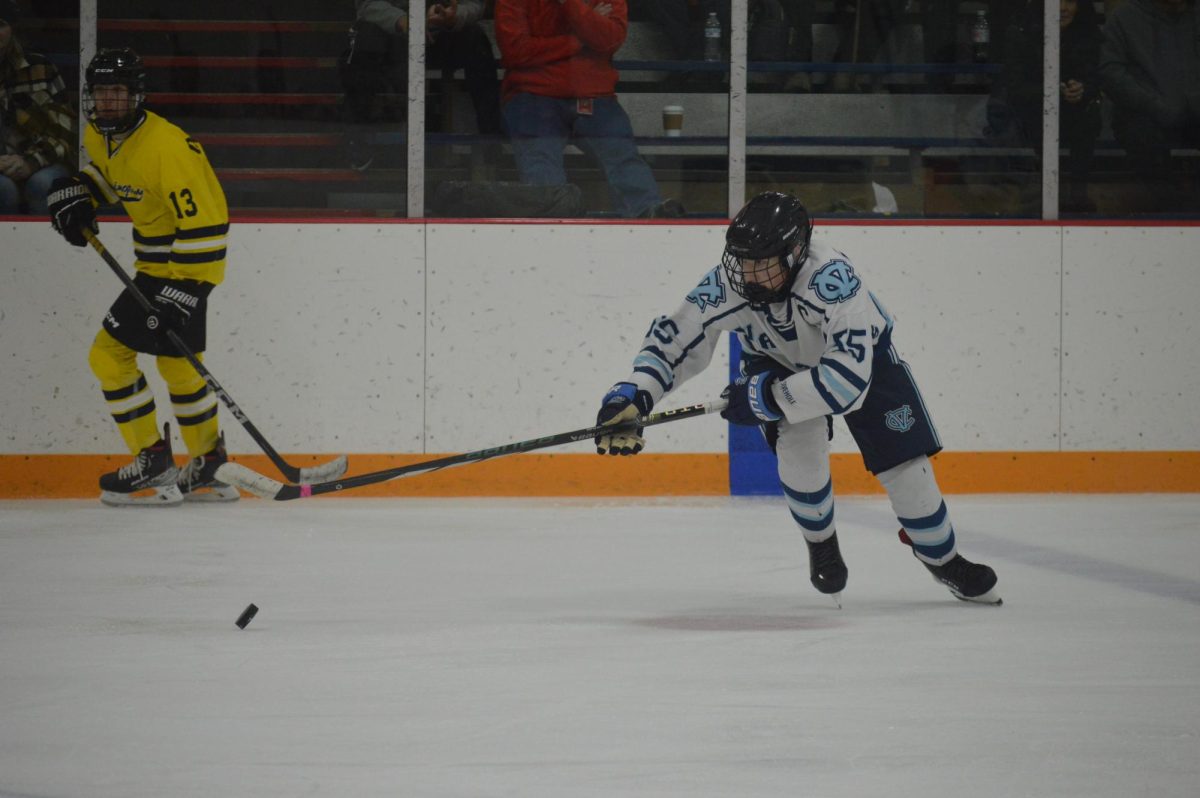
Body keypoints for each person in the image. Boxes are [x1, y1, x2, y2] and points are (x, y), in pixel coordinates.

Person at [594, 192, 1001, 605]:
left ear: (793, 254)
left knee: (908, 472)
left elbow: (847, 381)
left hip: (865, 367)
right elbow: (674, 341)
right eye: (741, 262)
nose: (746, 275)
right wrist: (634, 394)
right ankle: (821, 543)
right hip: (777, 362)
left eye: (760, 263)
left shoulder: (833, 281)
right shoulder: (728, 282)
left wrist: (764, 398)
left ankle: (943, 560)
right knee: (800, 452)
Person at [45, 48, 238, 506]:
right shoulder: (98, 135)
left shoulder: (168, 148)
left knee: (108, 356)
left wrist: (184, 293)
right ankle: (208, 467)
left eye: (117, 92)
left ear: (136, 95)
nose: (108, 102)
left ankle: (154, 465)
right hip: (154, 270)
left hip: (185, 271)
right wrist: (80, 192)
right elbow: (117, 178)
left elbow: (208, 224)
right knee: (178, 367)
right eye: (100, 93)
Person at [495, 0, 681, 218]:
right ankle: (552, 221)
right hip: (533, 95)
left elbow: (610, 38)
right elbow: (515, 50)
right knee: (540, 158)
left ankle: (646, 215)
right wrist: (577, 40)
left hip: (592, 95)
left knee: (621, 154)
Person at [339, 0, 502, 168]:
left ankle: (491, 140)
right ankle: (357, 136)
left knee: (476, 40)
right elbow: (367, 4)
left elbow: (475, 4)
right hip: (390, 31)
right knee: (363, 42)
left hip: (439, 28)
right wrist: (403, 20)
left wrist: (453, 16)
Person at [988, 0, 1104, 213]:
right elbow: (1015, 87)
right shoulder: (1021, 31)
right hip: (1031, 112)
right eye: (1057, 1)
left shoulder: (1088, 32)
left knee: (1088, 118)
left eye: (1069, 1)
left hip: (1075, 113)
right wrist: (1050, 91)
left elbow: (1097, 77)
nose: (1062, 8)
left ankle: (1078, 194)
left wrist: (1083, 89)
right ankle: (1041, 196)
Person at [1098, 0, 1200, 212]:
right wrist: (1153, 105)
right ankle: (1167, 212)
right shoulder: (1125, 17)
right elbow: (1110, 72)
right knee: (1142, 136)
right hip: (1144, 115)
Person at [0, 0, 74, 214]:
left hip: (42, 162)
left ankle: (53, 248)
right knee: (3, 189)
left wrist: (31, 162)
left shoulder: (40, 69)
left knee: (44, 185)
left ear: (12, 29)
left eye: (1, 24)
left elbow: (64, 133)